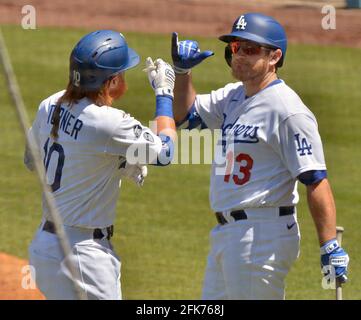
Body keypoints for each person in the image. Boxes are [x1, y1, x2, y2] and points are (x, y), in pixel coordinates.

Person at [171, 13, 349, 299]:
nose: (240, 56)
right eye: (236, 48)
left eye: (250, 50)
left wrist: (329, 244)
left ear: (274, 57)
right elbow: (184, 115)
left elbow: (315, 178)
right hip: (228, 235)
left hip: (261, 234)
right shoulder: (234, 96)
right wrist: (182, 73)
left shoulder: (287, 110)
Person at [24, 30, 176, 299]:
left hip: (44, 248)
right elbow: (165, 152)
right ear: (113, 81)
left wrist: (107, 163)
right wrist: (164, 94)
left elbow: (31, 160)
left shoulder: (49, 104)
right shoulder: (109, 121)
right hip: (83, 256)